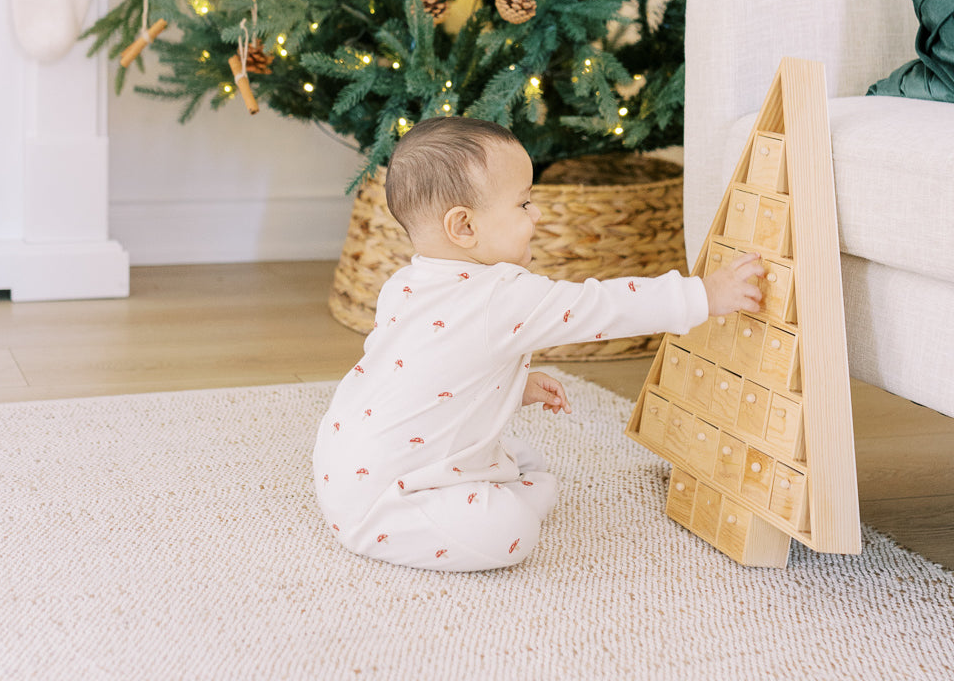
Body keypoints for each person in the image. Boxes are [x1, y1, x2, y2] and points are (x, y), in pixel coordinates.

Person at [313, 116, 764, 572]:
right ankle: (448, 514)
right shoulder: (503, 294)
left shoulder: (405, 283)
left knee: (522, 457)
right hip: (386, 505)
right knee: (512, 533)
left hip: (342, 464)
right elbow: (601, 307)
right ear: (464, 226)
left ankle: (487, 486)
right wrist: (704, 295)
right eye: (524, 204)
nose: (538, 215)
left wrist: (515, 382)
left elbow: (423, 369)